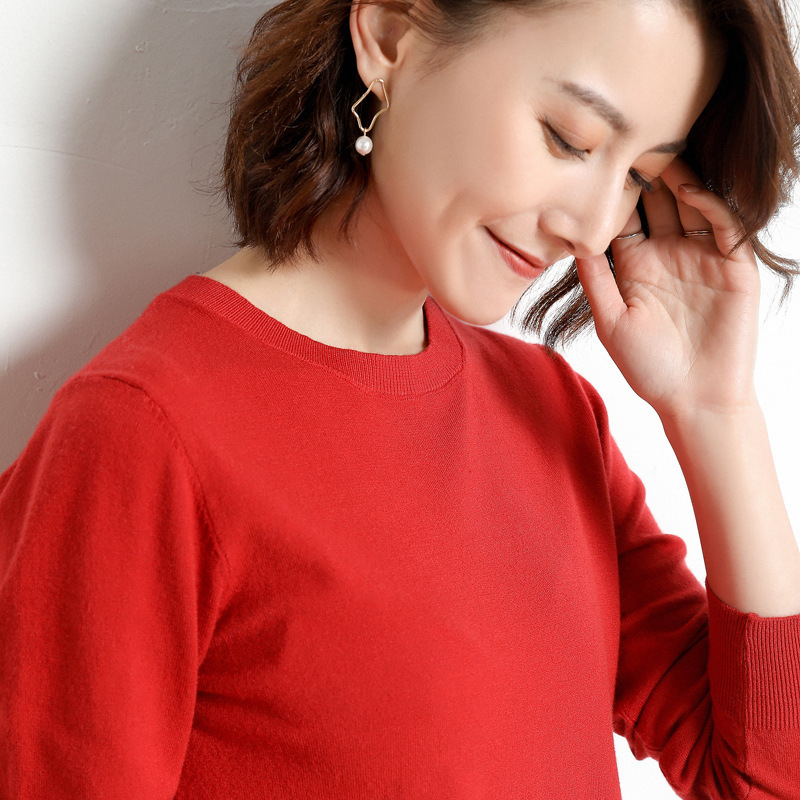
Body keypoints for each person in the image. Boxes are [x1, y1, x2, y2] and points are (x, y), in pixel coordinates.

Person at [2, 0, 800, 797]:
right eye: (568, 138)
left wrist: (718, 413)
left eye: (639, 176)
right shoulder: (143, 434)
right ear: (389, 35)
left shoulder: (552, 412)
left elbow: (763, 779)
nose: (592, 228)